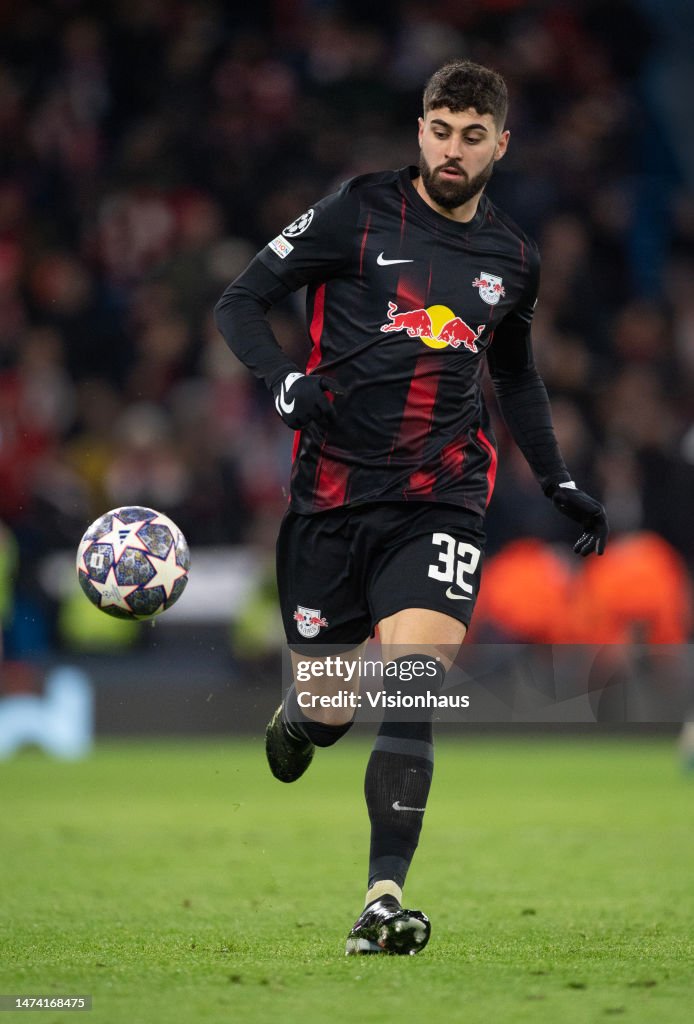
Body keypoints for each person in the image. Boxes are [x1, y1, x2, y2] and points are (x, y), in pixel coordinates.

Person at [214, 59, 608, 956]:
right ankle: (302, 720)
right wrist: (282, 385)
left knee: (414, 676)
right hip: (330, 499)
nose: (454, 149)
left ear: (500, 144)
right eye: (441, 130)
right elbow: (241, 302)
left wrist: (555, 480)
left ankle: (381, 899)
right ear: (420, 131)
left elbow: (515, 373)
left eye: (474, 135)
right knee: (327, 704)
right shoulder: (355, 212)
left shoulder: (512, 257)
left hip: (443, 496)